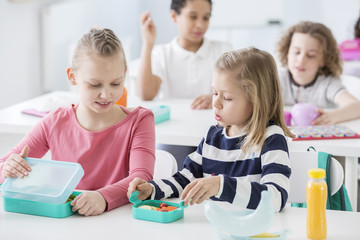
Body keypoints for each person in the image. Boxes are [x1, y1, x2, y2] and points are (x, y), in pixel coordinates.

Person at [0, 28, 156, 216]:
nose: (106, 94)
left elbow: (141, 179)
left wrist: (102, 197)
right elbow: (3, 166)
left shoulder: (140, 121)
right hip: (66, 222)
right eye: (95, 84)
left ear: (124, 73)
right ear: (72, 77)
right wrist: (9, 168)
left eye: (115, 83)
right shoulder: (54, 122)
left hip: (118, 222)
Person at [128, 48, 293, 212]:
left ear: (257, 101)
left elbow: (276, 198)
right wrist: (152, 189)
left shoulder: (271, 138)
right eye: (214, 93)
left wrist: (222, 185)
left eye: (227, 98)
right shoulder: (212, 136)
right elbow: (185, 180)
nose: (216, 103)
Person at [137, 0, 232, 110]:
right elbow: (146, 95)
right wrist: (147, 44)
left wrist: (215, 98)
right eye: (193, 17)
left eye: (205, 18)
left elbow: (237, 92)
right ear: (174, 16)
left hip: (212, 122)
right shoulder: (161, 54)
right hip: (173, 122)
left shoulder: (223, 50)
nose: (200, 25)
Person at [277, 21, 360, 125]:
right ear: (287, 52)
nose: (301, 60)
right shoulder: (277, 80)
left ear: (323, 60)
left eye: (311, 55)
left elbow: (357, 107)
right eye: (296, 52)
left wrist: (333, 116)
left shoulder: (328, 84)